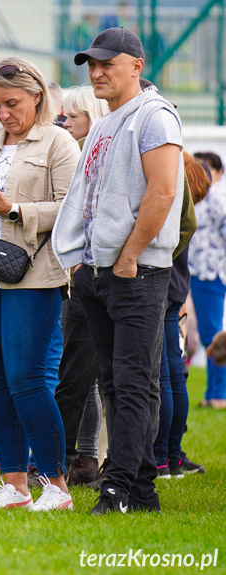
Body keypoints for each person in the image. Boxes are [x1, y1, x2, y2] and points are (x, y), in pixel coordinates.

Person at [53, 27, 184, 514]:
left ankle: (118, 488)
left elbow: (164, 191)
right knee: (113, 382)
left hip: (138, 270)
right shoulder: (107, 123)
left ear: (137, 66)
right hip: (97, 269)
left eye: (108, 62)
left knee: (131, 382)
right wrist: (86, 263)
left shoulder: (154, 116)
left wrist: (129, 254)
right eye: (92, 63)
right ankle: (141, 490)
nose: (97, 71)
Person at [0, 57, 80, 511]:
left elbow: (73, 210)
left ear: (37, 97)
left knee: (27, 379)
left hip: (34, 275)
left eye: (11, 103)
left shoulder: (58, 142)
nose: (3, 113)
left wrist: (13, 210)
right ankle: (14, 485)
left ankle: (56, 487)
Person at [54, 84, 109, 487]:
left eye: (74, 115)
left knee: (82, 376)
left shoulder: (93, 156)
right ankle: (85, 458)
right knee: (83, 376)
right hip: (79, 274)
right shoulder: (81, 152)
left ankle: (77, 458)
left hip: (93, 275)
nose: (65, 121)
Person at [155, 153, 209, 479]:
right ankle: (171, 457)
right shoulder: (182, 204)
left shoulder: (169, 201)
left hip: (161, 289)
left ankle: (163, 457)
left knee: (164, 374)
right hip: (175, 290)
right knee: (175, 374)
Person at [188, 150, 226, 410]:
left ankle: (218, 395)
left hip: (209, 273)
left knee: (213, 335)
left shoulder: (216, 199)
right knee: (204, 334)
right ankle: (214, 393)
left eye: (206, 169)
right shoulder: (198, 199)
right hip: (192, 273)